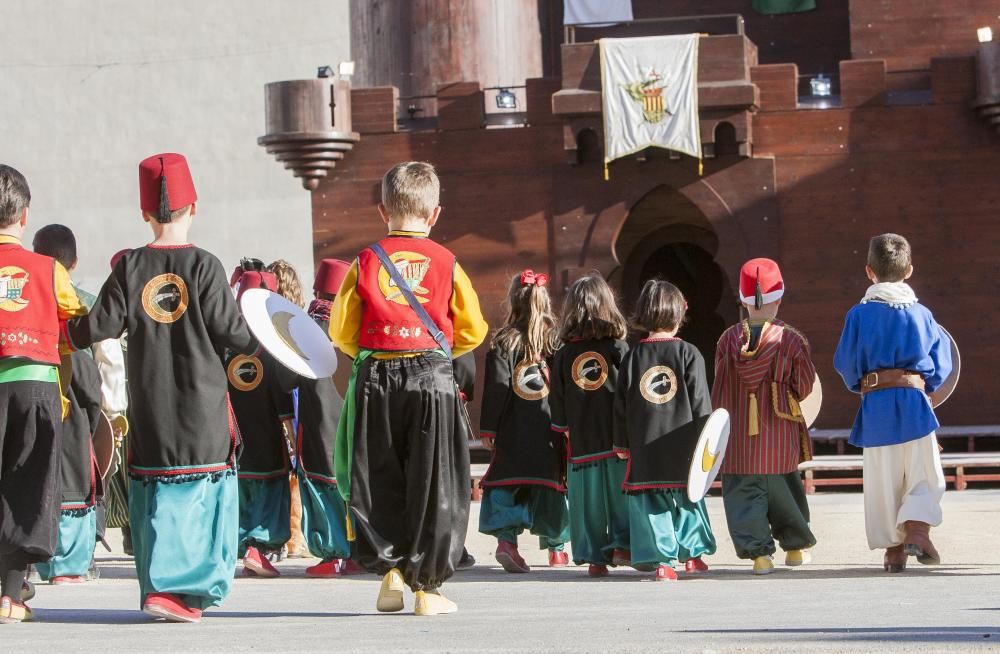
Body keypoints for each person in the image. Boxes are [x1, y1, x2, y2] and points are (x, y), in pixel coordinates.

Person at [67, 153, 257, 623]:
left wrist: (54, 333)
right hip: (202, 406)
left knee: (158, 493)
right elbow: (234, 335)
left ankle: (162, 586)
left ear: (144, 213)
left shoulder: (130, 267)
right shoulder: (207, 267)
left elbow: (94, 326)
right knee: (196, 496)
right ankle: (176, 592)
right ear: (196, 207)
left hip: (152, 407)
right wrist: (267, 340)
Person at [328, 161, 488, 616]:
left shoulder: (365, 259)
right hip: (431, 379)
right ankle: (429, 589)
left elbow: (342, 330)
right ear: (434, 214)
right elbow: (473, 329)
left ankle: (391, 574)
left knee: (379, 475)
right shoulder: (447, 261)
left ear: (383, 211)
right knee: (435, 480)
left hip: (377, 377)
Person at [0, 165, 88, 623]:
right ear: (26, 216)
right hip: (34, 385)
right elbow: (75, 320)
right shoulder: (48, 269)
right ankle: (10, 597)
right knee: (28, 485)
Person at [834, 234, 952, 573]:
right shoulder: (923, 314)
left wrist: (865, 384)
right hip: (916, 403)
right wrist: (926, 386)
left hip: (876, 406)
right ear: (910, 270)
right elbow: (942, 364)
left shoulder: (858, 315)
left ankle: (894, 551)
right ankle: (918, 529)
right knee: (924, 473)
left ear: (869, 271)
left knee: (883, 481)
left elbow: (846, 363)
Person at [712, 258, 817, 575]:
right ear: (779, 298)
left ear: (742, 300)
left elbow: (718, 387)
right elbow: (805, 385)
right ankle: (795, 549)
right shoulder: (792, 340)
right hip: (779, 429)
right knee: (784, 488)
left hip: (739, 434)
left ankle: (759, 556)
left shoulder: (728, 340)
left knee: (744, 492)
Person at [614, 280, 716, 581]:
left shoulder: (632, 356)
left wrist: (620, 443)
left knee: (653, 503)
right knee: (689, 497)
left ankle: (663, 562)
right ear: (678, 314)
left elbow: (620, 406)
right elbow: (701, 402)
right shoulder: (689, 353)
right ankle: (693, 555)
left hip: (645, 446)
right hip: (683, 445)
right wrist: (707, 441)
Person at [478, 270, 570, 573]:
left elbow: (496, 389)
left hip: (513, 431)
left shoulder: (503, 341)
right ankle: (556, 550)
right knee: (550, 486)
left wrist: (489, 428)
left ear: (512, 301)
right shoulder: (556, 341)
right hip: (548, 429)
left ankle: (507, 542)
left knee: (508, 483)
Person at [274, 258, 360, 577]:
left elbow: (286, 380)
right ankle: (358, 553)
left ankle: (332, 555)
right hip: (351, 425)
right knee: (350, 489)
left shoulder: (306, 328)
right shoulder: (355, 328)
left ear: (317, 290)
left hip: (318, 427)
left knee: (323, 491)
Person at [31, 227, 106, 585]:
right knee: (75, 483)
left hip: (32, 406)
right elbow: (93, 380)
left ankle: (41, 561)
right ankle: (71, 564)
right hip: (73, 412)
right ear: (74, 262)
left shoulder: (26, 301)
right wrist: (97, 416)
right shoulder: (81, 306)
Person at [549, 275, 630, 577]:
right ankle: (623, 545)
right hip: (616, 440)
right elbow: (628, 392)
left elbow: (556, 399)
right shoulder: (619, 348)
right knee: (621, 497)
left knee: (588, 504)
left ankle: (595, 558)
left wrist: (565, 427)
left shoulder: (563, 353)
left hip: (582, 441)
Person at [227, 265, 294, 578]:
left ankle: (243, 550)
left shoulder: (223, 347)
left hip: (232, 442)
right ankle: (258, 549)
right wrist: (295, 440)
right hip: (267, 441)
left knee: (240, 500)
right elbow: (284, 405)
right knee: (268, 500)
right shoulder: (271, 347)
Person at [266, 259, 310, 560]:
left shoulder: (261, 322)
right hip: (294, 401)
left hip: (268, 404)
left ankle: (286, 535)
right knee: (297, 468)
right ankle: (296, 535)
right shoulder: (298, 324)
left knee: (281, 469)